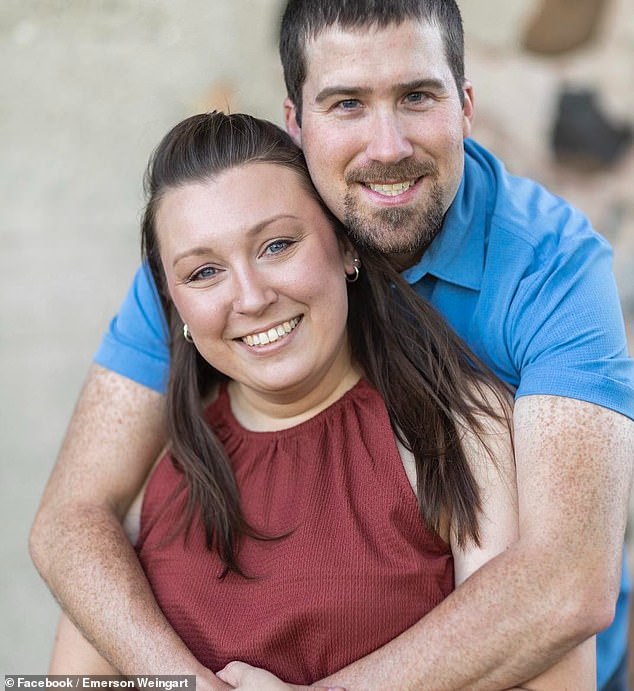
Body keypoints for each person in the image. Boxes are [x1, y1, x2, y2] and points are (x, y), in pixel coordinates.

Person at [30, 1, 634, 689]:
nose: (387, 146)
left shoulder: (551, 269)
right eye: (346, 103)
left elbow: (566, 586)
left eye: (416, 96)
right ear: (297, 121)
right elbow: (72, 518)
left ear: (466, 105)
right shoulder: (229, 246)